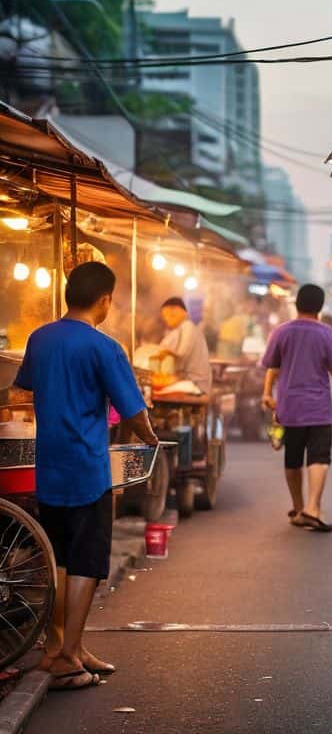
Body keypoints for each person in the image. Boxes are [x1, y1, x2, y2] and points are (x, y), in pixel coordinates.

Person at [11, 262, 157, 690]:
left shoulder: (40, 339)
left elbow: (24, 389)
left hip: (48, 466)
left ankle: (62, 647)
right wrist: (150, 439)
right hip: (88, 469)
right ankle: (68, 659)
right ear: (105, 300)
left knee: (57, 558)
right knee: (87, 563)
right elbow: (134, 411)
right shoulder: (104, 347)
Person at [261, 284, 332, 533]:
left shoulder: (281, 332)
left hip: (289, 407)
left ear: (297, 304)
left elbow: (272, 366)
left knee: (293, 457)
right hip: (318, 408)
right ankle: (312, 508)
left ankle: (299, 507)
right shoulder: (326, 334)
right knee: (319, 456)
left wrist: (267, 393)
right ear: (320, 307)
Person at [153, 297, 212, 394]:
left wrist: (165, 353)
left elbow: (182, 354)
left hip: (195, 383)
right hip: (186, 380)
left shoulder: (188, 327)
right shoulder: (177, 331)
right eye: (164, 317)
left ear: (182, 313)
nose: (167, 319)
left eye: (171, 315)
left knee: (158, 393)